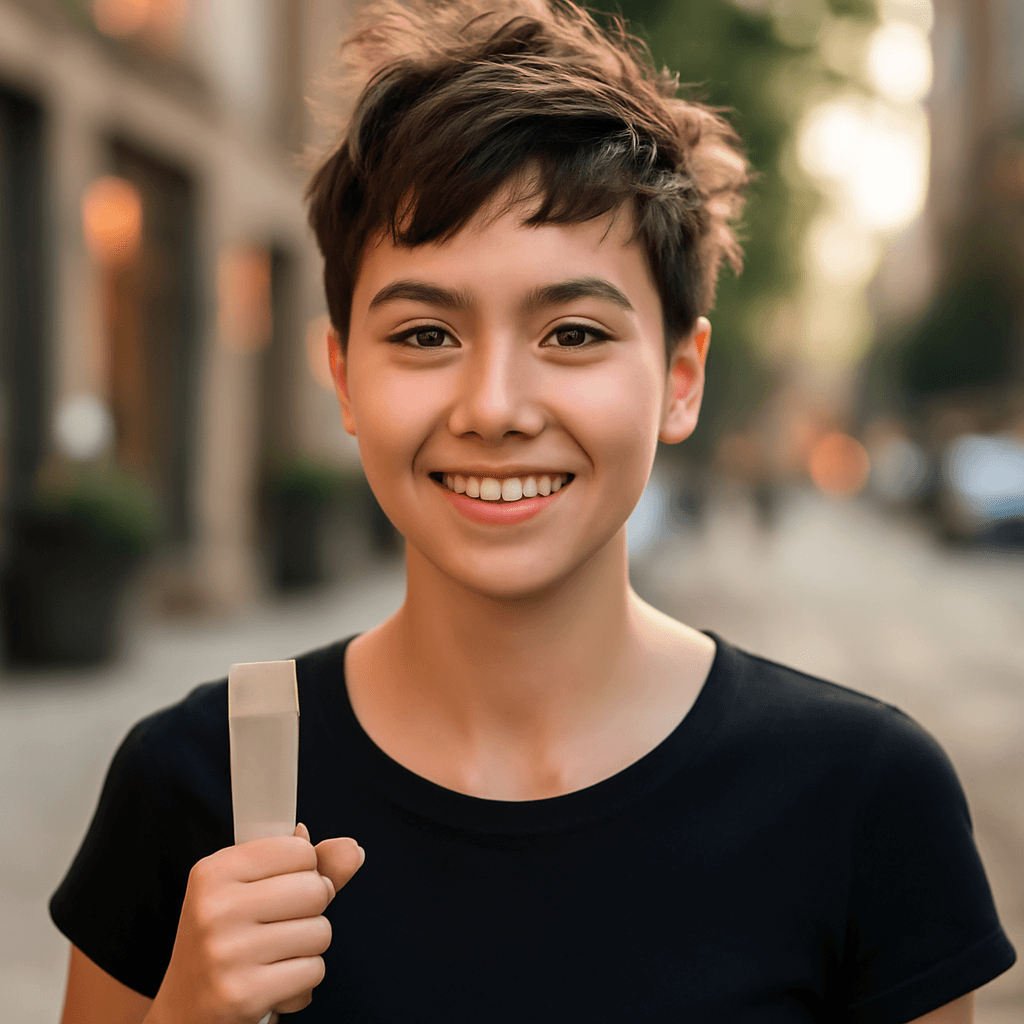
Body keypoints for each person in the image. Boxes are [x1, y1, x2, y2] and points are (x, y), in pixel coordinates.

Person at [52, 1, 1016, 1021]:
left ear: (681, 378)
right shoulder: (191, 783)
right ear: (342, 375)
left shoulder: (860, 796)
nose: (496, 408)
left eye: (571, 333)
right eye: (425, 334)